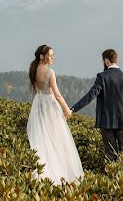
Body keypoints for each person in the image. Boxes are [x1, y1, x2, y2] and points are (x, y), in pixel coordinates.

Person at [26, 44, 84, 183]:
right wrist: (67, 110)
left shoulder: (33, 69)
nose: (53, 58)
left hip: (39, 103)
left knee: (43, 138)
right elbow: (57, 95)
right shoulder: (49, 72)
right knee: (57, 139)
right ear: (42, 56)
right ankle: (61, 174)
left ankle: (43, 172)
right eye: (51, 55)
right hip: (50, 106)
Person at [69, 48, 123, 162]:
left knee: (110, 154)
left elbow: (91, 95)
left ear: (106, 61)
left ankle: (112, 173)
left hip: (106, 121)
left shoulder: (102, 77)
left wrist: (73, 109)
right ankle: (119, 174)